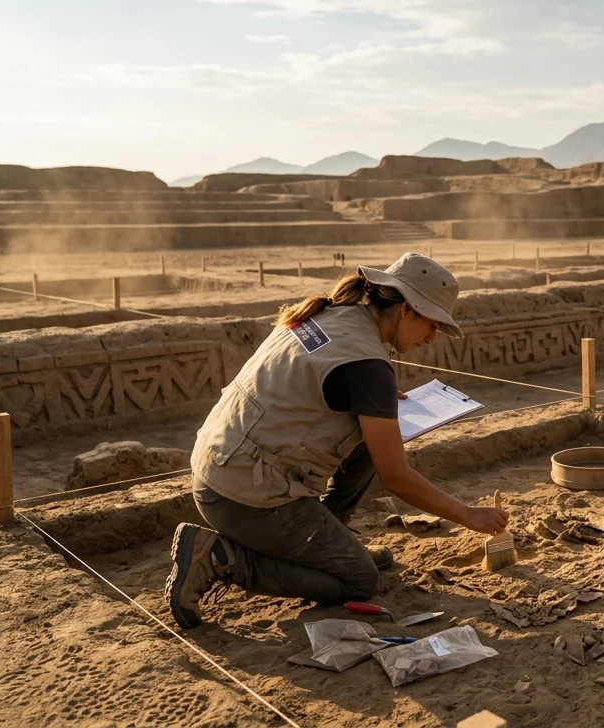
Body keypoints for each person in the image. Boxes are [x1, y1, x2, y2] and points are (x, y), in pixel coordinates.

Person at [165, 252, 508, 629]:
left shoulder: (331, 315)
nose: (431, 338)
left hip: (219, 464)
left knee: (370, 443)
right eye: (431, 324)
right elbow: (396, 476)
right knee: (359, 580)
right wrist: (468, 515)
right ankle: (219, 557)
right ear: (406, 310)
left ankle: (331, 540)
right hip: (244, 497)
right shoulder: (367, 367)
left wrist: (371, 400)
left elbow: (308, 385)